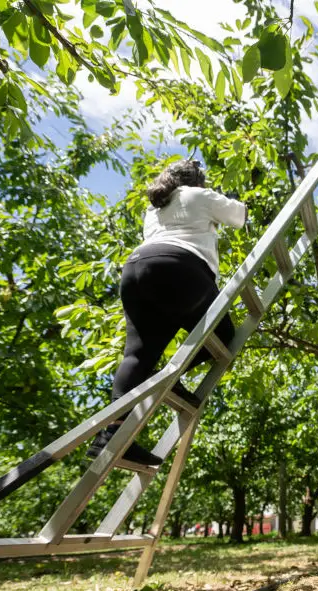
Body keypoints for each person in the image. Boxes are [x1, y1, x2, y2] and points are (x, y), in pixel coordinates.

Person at [87, 159, 247, 466]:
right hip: (181, 268)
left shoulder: (155, 208)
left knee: (137, 355)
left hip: (136, 270)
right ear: (196, 181)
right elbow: (239, 215)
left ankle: (112, 434)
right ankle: (170, 377)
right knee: (225, 337)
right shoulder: (198, 195)